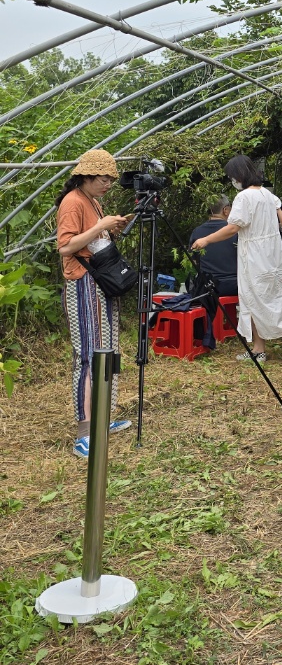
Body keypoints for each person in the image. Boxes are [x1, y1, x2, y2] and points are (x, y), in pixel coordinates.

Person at [190, 155, 282, 363]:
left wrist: (206, 240)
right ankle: (258, 348)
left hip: (255, 254)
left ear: (238, 175)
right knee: (264, 297)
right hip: (272, 253)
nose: (231, 180)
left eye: (231, 176)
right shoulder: (268, 195)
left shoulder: (244, 197)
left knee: (257, 298)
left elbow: (233, 227)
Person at [55, 149, 133, 457]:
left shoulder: (93, 201)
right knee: (88, 355)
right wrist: (101, 227)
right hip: (83, 283)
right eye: (103, 179)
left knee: (107, 351)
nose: (108, 185)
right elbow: (66, 247)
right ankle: (84, 432)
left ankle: (103, 418)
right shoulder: (73, 202)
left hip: (100, 282)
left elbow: (89, 240)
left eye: (111, 180)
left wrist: (106, 228)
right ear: (86, 176)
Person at [189, 197, 238, 298]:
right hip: (234, 285)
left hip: (208, 287)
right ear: (225, 210)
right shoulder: (234, 231)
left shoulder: (197, 232)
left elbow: (194, 262)